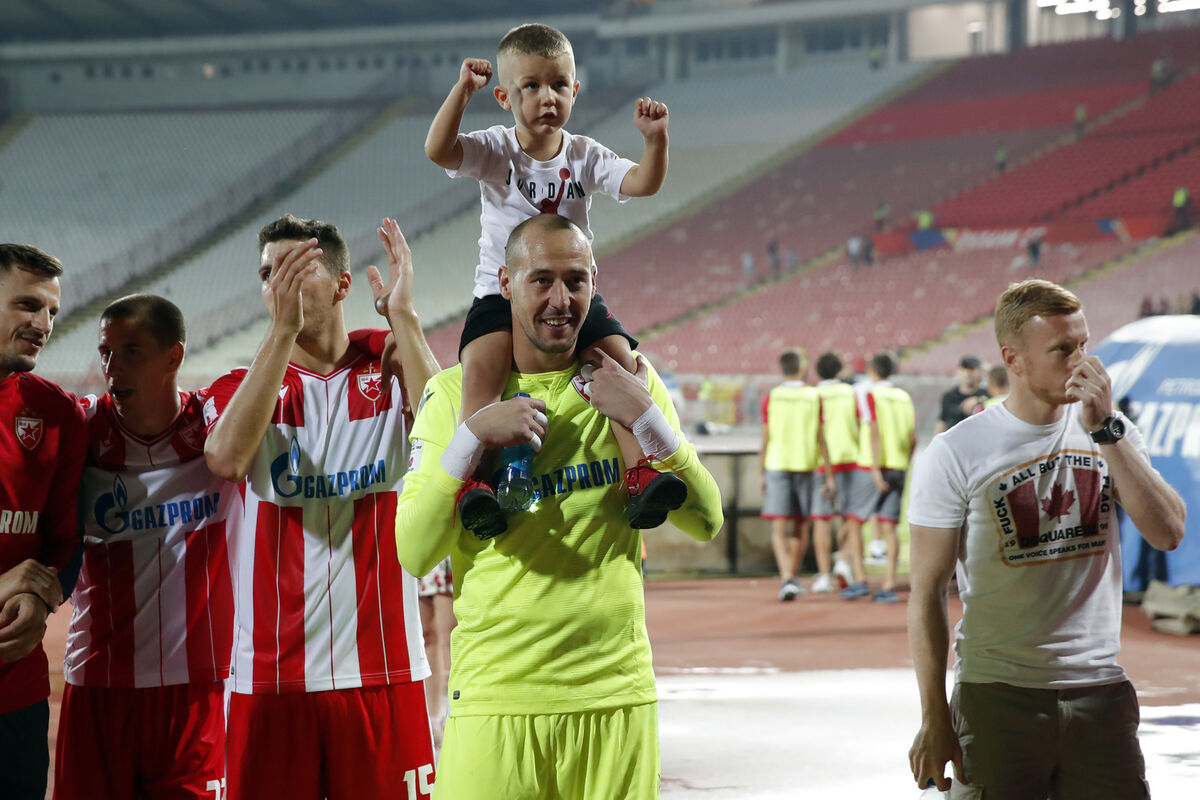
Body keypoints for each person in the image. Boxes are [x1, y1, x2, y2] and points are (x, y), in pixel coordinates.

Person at [394, 214, 723, 800]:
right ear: (505, 283)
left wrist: (646, 419)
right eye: (541, 280)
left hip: (616, 698)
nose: (560, 299)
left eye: (576, 280)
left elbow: (705, 520)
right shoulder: (452, 396)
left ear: (595, 283)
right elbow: (414, 551)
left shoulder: (629, 384)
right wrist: (471, 439)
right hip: (498, 700)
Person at [907, 278, 1185, 798]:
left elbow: (1168, 532)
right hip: (996, 695)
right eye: (1062, 349)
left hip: (1101, 691)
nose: (1082, 362)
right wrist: (934, 717)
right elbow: (926, 593)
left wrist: (1106, 431)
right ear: (1013, 359)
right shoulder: (957, 452)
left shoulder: (1113, 431)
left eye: (1084, 344)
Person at [203, 215, 440, 799]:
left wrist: (404, 319)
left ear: (341, 285)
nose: (279, 284)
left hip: (385, 670)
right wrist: (281, 333)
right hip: (271, 679)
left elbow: (450, 431)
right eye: (269, 273)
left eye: (296, 270)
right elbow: (227, 459)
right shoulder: (241, 388)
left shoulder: (387, 369)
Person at [424, 22, 682, 537]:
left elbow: (642, 183)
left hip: (572, 293)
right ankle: (476, 482)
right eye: (532, 86)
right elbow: (439, 150)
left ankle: (639, 472)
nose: (548, 97)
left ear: (575, 91)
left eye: (559, 85)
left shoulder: (584, 154)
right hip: (501, 294)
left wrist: (655, 141)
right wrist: (462, 92)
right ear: (504, 97)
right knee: (482, 372)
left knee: (620, 363)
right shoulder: (496, 149)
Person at [55, 295, 237, 799]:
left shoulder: (217, 426)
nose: (112, 368)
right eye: (106, 352)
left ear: (174, 356)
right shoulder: (82, 429)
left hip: (198, 689)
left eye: (131, 351)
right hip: (99, 684)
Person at [0, 244, 87, 800]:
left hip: (15, 696)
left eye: (52, 310)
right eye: (28, 305)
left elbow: (65, 539)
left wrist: (42, 595)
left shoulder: (56, 414)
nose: (44, 324)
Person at [840, 352, 915, 603]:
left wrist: (874, 469)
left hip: (871, 466)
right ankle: (889, 584)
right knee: (889, 527)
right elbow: (912, 436)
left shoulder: (870, 395)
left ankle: (860, 580)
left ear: (872, 370)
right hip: (898, 466)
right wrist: (904, 463)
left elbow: (874, 432)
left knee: (854, 521)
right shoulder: (903, 397)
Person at [759, 349, 821, 601]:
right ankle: (790, 576)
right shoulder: (813, 396)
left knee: (779, 526)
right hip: (806, 464)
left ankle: (787, 578)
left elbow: (765, 437)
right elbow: (821, 436)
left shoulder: (772, 397)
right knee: (801, 525)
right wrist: (827, 472)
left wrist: (761, 471)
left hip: (776, 464)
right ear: (800, 368)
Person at [810, 352, 860, 593]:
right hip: (851, 458)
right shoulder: (852, 393)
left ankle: (823, 575)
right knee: (851, 516)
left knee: (822, 519)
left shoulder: (812, 395)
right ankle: (843, 559)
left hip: (821, 462)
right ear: (840, 370)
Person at [418, 558, 456, 752]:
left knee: (450, 637)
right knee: (426, 637)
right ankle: (433, 718)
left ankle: (451, 712)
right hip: (420, 558)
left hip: (443, 556)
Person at [933, 355, 988, 435]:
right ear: (959, 371)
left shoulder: (986, 393)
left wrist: (979, 400)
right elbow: (942, 421)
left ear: (980, 373)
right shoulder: (949, 396)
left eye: (972, 369)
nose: (968, 373)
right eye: (965, 369)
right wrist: (935, 440)